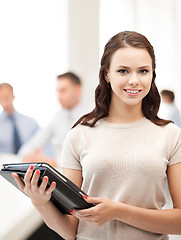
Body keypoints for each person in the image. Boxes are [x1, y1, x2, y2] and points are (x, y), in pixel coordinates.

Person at [12, 31, 181, 240]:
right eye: (123, 71)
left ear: (152, 74)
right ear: (107, 74)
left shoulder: (171, 135)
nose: (134, 80)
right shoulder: (79, 135)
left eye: (143, 71)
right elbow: (69, 230)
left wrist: (119, 211)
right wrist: (40, 203)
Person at [18, 72, 90, 167]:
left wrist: (51, 162)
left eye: (63, 90)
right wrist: (28, 156)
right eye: (58, 91)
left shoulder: (91, 117)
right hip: (58, 172)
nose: (59, 97)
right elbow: (32, 144)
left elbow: (84, 160)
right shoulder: (58, 116)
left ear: (77, 90)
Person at [0, 83, 39, 154]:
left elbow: (41, 145)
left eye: (7, 97)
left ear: (13, 96)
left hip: (28, 162)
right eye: (1, 99)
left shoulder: (31, 123)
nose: (4, 103)